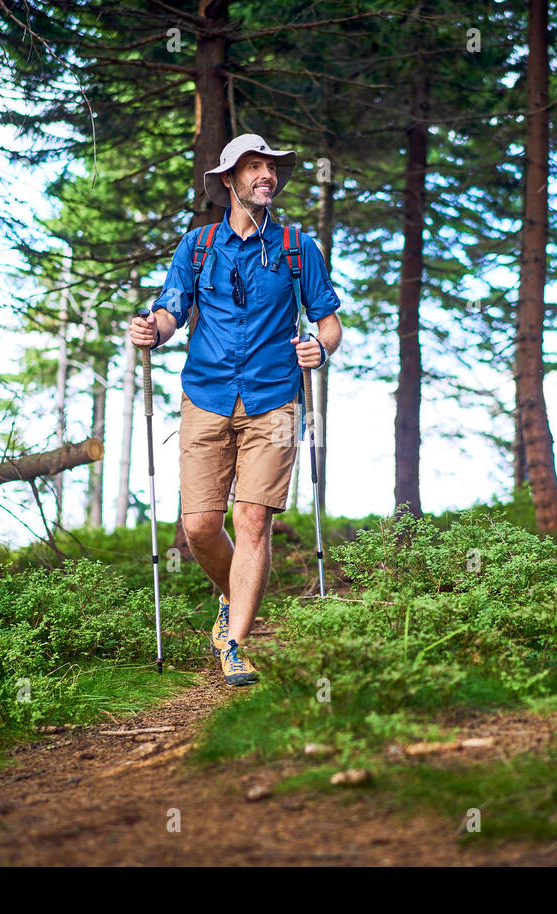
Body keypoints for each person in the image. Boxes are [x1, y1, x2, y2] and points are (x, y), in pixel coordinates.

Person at [129, 134, 343, 687]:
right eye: (253, 168)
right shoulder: (197, 246)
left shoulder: (299, 248)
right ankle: (234, 594)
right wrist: (154, 328)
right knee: (200, 526)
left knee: (252, 520)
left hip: (276, 399)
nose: (265, 176)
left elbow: (328, 321)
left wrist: (321, 348)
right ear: (229, 181)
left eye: (270, 168)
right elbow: (173, 310)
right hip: (206, 395)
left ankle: (235, 643)